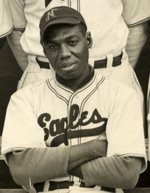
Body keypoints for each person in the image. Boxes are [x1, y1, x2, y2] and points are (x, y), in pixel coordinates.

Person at [2, 6, 147, 193]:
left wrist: (47, 165)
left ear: (88, 40)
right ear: (44, 50)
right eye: (53, 46)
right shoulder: (24, 99)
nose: (64, 54)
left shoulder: (122, 95)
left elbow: (127, 174)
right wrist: (95, 148)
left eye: (72, 42)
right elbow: (22, 170)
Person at [7, 0, 146, 101]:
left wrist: (117, 66)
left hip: (112, 74)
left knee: (120, 141)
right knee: (36, 142)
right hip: (43, 76)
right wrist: (39, 69)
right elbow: (16, 32)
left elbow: (137, 27)